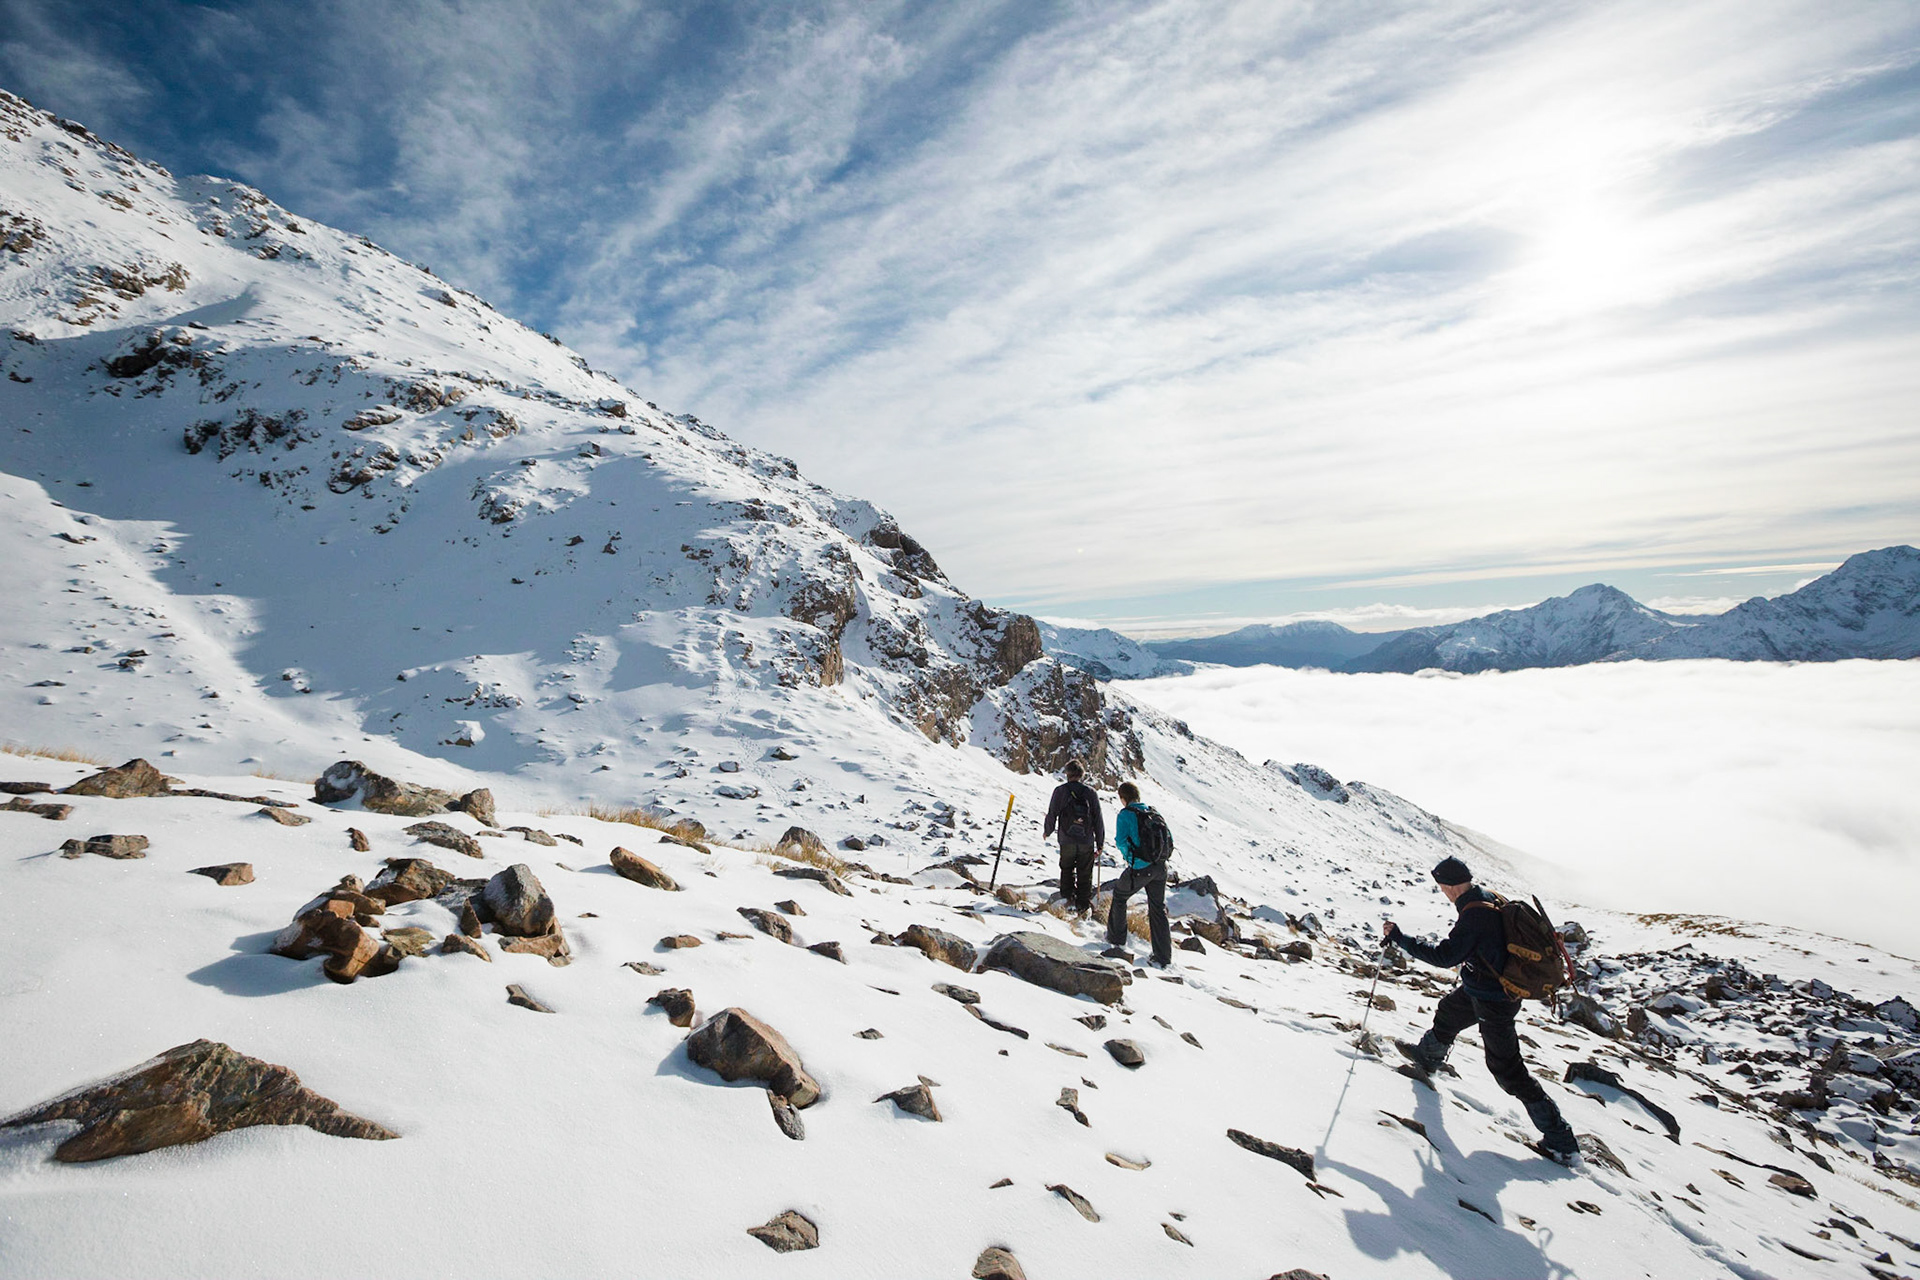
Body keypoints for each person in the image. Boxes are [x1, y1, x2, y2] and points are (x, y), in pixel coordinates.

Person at [1382, 856, 1578, 1162]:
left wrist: (1400, 938)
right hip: (1482, 988)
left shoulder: (1475, 914)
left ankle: (1561, 1140)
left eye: (1442, 887)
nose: (1443, 892)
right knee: (1448, 1012)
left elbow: (1445, 956)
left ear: (1450, 885)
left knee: (1507, 1069)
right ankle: (1428, 1057)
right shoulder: (1486, 897)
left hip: (1494, 1000)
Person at [1105, 781, 1172, 967]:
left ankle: (1116, 941)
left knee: (1120, 896)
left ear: (1123, 798)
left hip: (1141, 867)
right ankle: (1163, 956)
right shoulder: (1153, 812)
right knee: (1157, 908)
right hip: (1161, 867)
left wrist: (1131, 859)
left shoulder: (1126, 814)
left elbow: (1121, 841)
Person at [1042, 759, 1104, 915]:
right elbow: (1098, 819)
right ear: (1082, 775)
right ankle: (1083, 906)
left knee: (1066, 868)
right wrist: (1100, 843)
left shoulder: (1060, 791)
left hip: (1066, 838)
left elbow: (1052, 813)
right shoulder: (1091, 793)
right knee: (1085, 872)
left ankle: (1068, 900)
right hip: (1086, 840)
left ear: (1067, 774)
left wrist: (1047, 831)